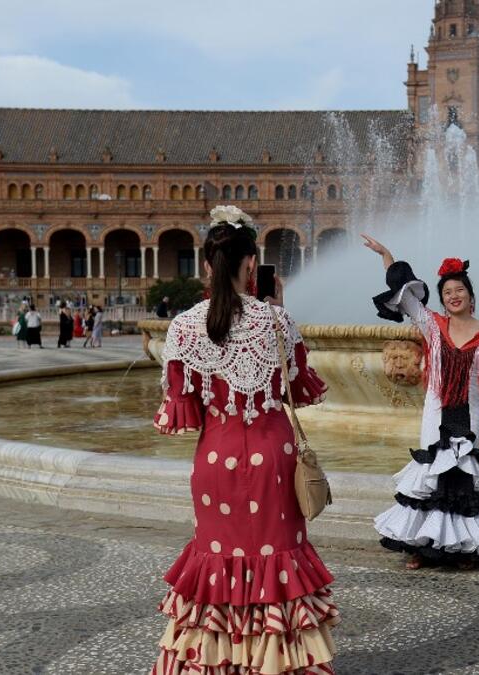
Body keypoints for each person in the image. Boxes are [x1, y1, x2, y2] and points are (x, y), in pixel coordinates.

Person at [150, 206, 338, 674]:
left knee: (217, 561)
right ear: (251, 265)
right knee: (278, 560)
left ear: (208, 267)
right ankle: (279, 662)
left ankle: (215, 663)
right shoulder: (276, 321)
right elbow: (302, 390)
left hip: (218, 458)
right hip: (276, 455)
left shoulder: (185, 329)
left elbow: (182, 413)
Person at [362, 235, 479, 570]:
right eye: (447, 292)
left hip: (469, 414)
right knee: (430, 475)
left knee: (462, 477)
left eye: (459, 290)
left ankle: (464, 549)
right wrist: (387, 255)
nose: (453, 296)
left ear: (471, 296)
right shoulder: (433, 325)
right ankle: (420, 547)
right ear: (442, 300)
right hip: (436, 409)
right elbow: (407, 296)